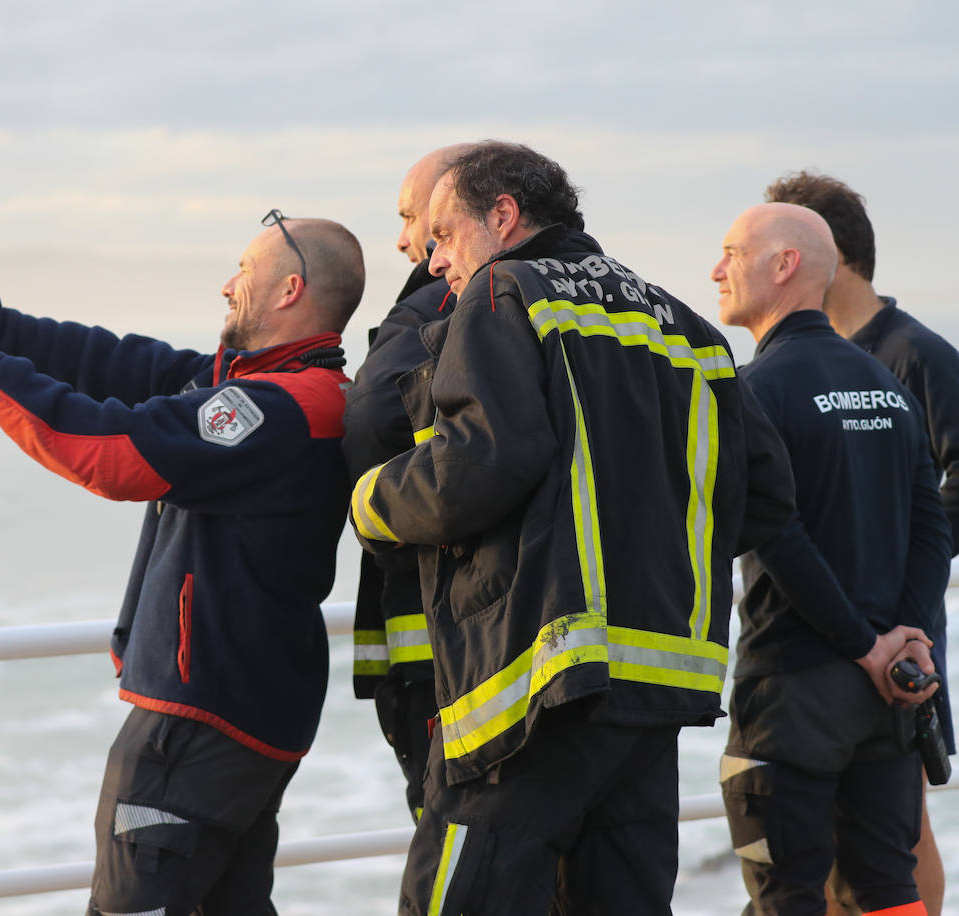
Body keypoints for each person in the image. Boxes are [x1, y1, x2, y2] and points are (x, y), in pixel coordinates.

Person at [0, 211, 365, 916]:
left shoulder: (278, 409)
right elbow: (128, 365)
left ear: (289, 290)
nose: (228, 285)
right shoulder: (265, 388)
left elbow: (115, 455)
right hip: (245, 714)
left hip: (199, 723)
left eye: (244, 273)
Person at [350, 141, 796, 915]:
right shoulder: (684, 323)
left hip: (541, 685)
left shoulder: (500, 293)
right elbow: (765, 498)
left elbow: (484, 459)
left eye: (443, 236)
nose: (432, 264)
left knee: (457, 895)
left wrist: (371, 502)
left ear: (504, 216)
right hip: (660, 684)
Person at [712, 202, 950, 916]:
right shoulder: (886, 386)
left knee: (788, 896)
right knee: (887, 889)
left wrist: (863, 644)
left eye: (731, 253)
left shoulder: (755, 392)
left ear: (784, 266)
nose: (715, 269)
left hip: (792, 693)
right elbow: (931, 525)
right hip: (889, 702)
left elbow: (776, 535)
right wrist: (901, 639)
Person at [345, 144, 471, 823]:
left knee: (454, 853)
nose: (401, 241)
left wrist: (376, 517)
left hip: (439, 651)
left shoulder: (430, 307)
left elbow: (368, 420)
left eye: (410, 217)